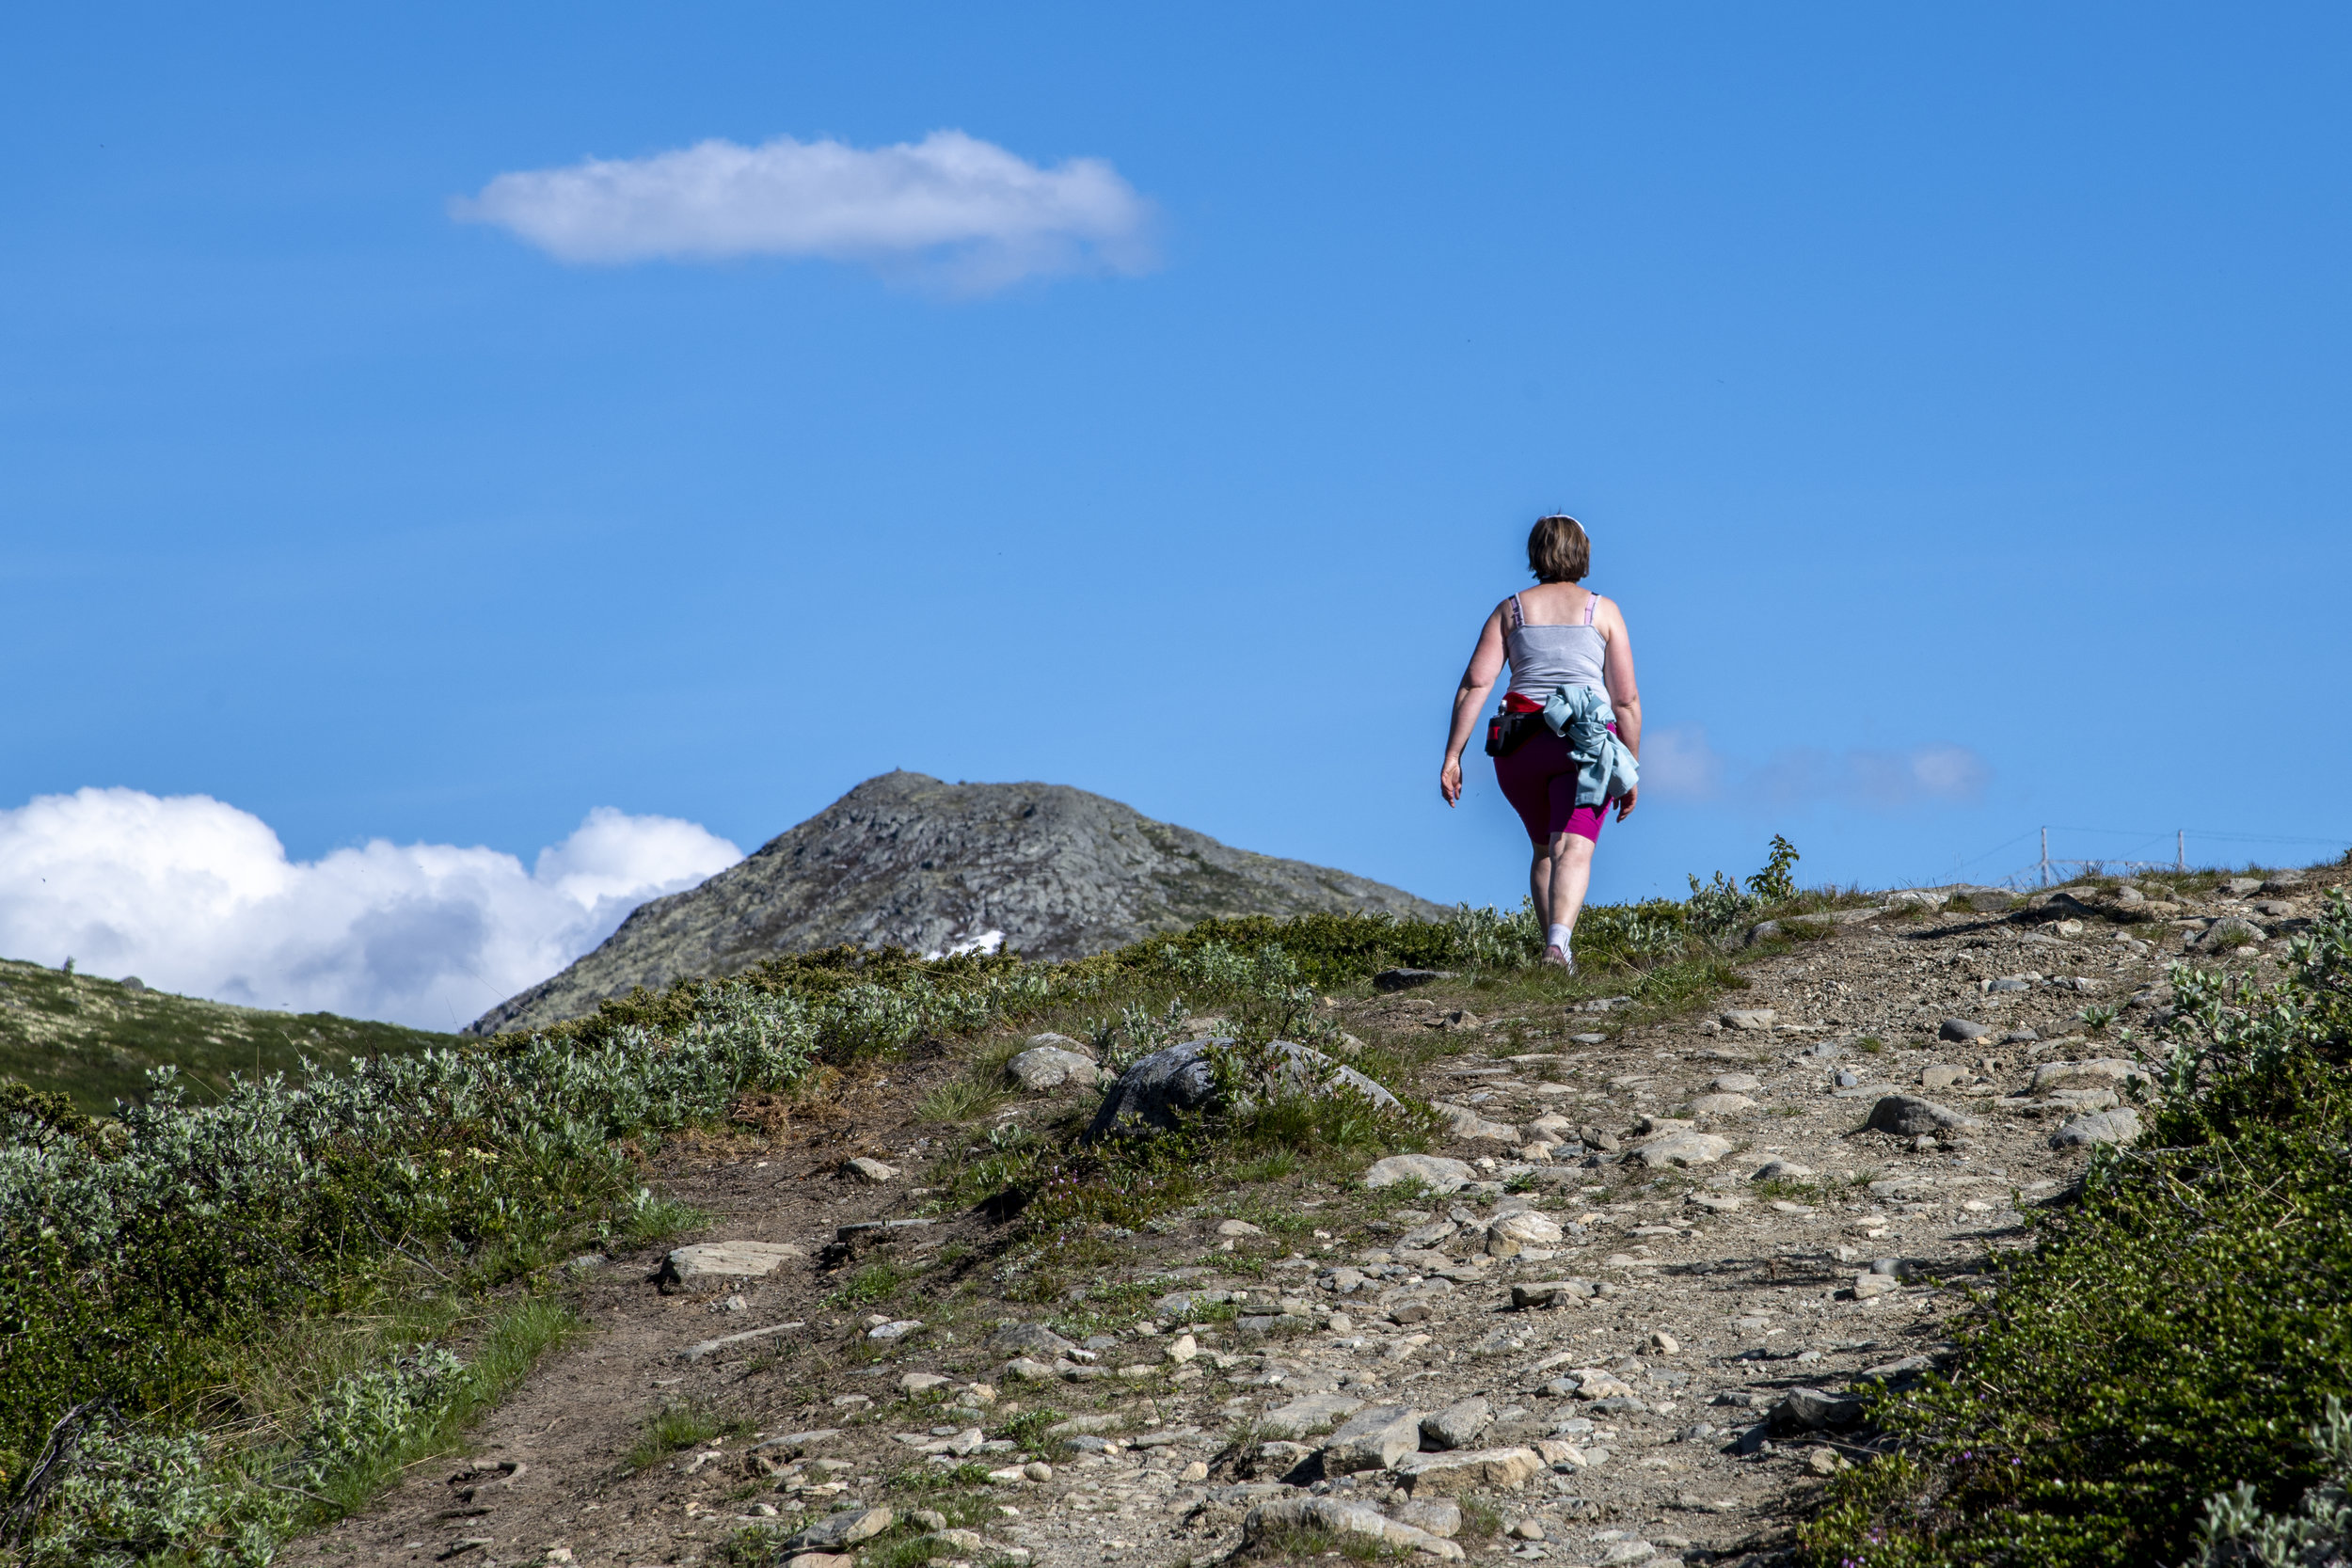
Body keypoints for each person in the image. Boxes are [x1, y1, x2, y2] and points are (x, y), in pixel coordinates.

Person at [1439, 514, 1642, 970]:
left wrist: (1453, 756)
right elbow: (1625, 699)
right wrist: (1629, 765)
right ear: (1583, 551)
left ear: (1535, 551)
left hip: (1518, 748)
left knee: (1544, 848)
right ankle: (1558, 945)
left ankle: (1556, 957)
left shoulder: (1509, 610)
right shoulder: (1602, 610)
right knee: (1573, 846)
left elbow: (1476, 684)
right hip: (1584, 745)